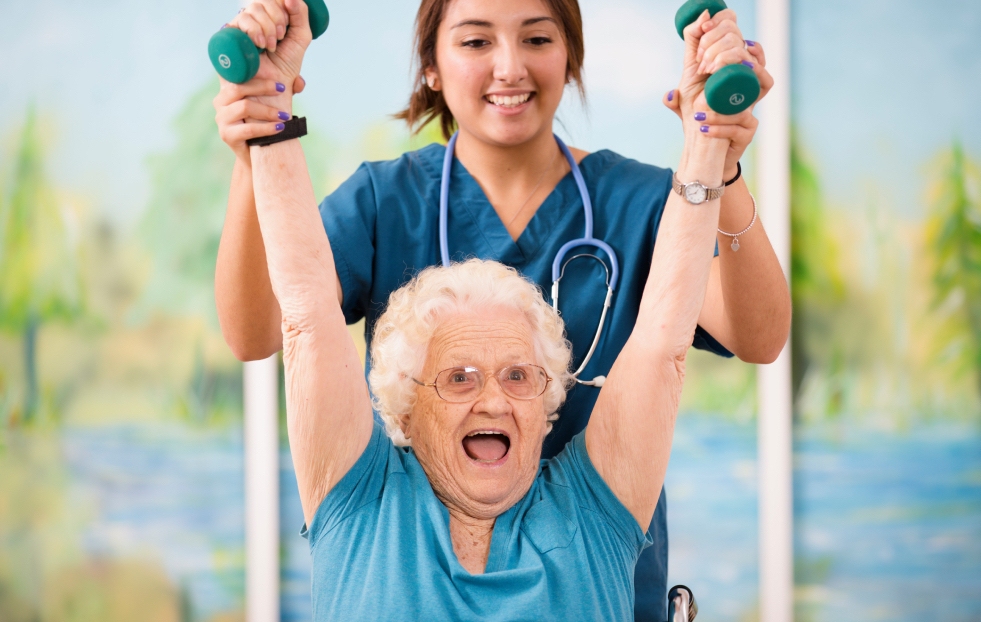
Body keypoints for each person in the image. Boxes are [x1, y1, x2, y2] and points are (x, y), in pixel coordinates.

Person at [213, 0, 791, 618]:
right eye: (476, 42)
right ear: (431, 65)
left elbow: (747, 337)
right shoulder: (385, 201)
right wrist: (258, 139)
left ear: (571, 57)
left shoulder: (643, 201)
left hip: (591, 568)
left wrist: (717, 157)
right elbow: (275, 325)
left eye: (537, 38)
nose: (510, 67)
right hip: (407, 570)